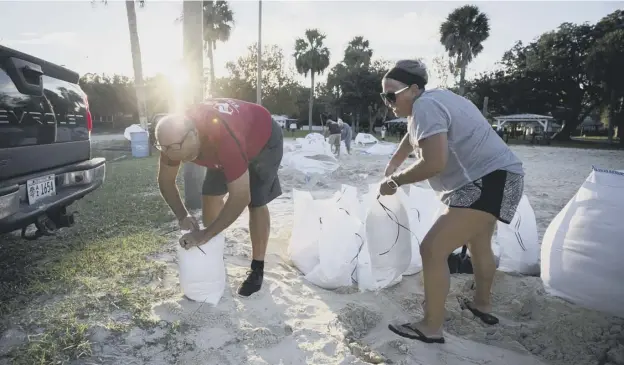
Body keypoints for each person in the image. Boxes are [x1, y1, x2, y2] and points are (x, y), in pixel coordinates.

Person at [378, 60, 524, 343]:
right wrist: (393, 163)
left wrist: (394, 181)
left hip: (483, 181)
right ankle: (482, 305)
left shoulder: (425, 107)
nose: (387, 102)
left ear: (414, 89)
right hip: (505, 177)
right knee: (480, 244)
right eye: (383, 95)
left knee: (432, 249)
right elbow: (412, 137)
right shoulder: (437, 99)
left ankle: (431, 327)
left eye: (392, 94)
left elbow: (434, 163)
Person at [155, 98, 283, 297]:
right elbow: (166, 181)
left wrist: (204, 234)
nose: (174, 157)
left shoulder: (223, 137)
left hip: (262, 140)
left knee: (256, 201)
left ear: (195, 134)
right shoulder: (172, 141)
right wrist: (182, 216)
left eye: (182, 154)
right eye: (167, 150)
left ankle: (257, 267)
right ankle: (213, 253)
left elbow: (240, 196)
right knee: (210, 195)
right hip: (222, 146)